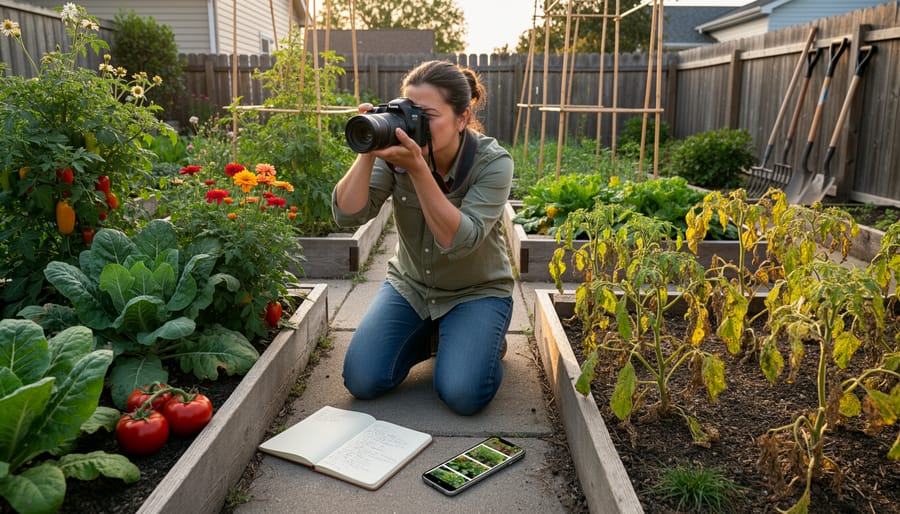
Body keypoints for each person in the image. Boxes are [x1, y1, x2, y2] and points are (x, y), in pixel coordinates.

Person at [332, 60, 514, 416]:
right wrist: (367, 152)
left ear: (462, 118)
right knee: (362, 380)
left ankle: (478, 341)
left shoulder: (493, 163)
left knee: (463, 394)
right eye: (409, 111)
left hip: (476, 291)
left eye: (427, 114)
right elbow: (347, 214)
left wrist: (417, 168)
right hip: (412, 286)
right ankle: (441, 338)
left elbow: (458, 239)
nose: (414, 124)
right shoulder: (399, 152)